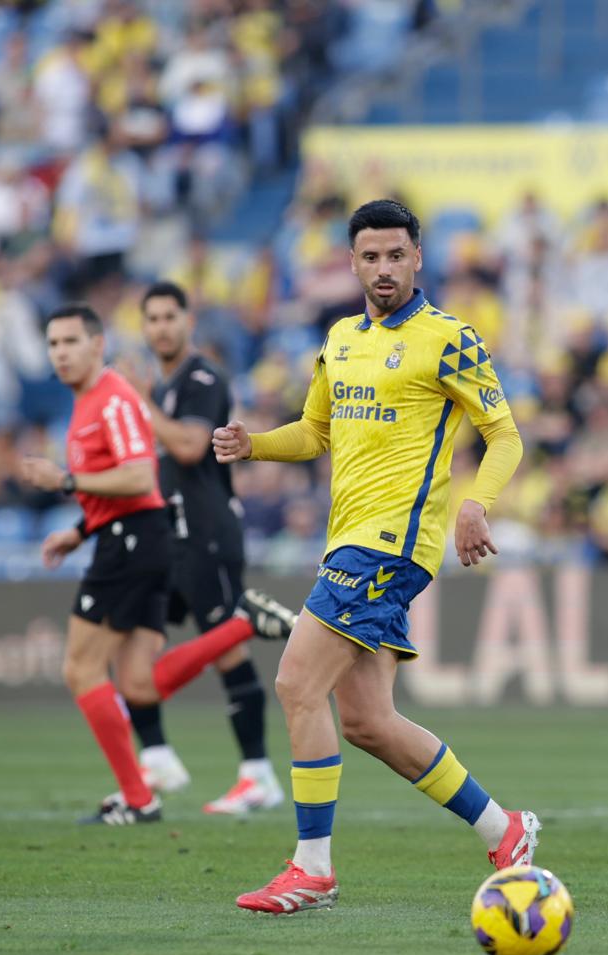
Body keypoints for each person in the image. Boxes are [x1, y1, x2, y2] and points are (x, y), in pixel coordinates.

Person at [212, 200, 537, 915]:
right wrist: (254, 444)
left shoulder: (449, 338)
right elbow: (314, 432)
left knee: (298, 685)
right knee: (365, 722)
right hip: (350, 537)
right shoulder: (340, 339)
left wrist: (476, 503)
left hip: (392, 543)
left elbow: (504, 435)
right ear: (352, 263)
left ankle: (312, 868)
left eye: (396, 255)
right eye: (370, 257)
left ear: (418, 257)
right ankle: (503, 827)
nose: (384, 269)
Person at [20, 304, 289, 825]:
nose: (60, 353)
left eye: (71, 342)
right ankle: (241, 624)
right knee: (138, 684)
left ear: (98, 345)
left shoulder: (113, 400)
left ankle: (139, 797)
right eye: (53, 344)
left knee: (80, 668)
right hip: (135, 538)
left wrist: (66, 483)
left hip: (132, 543)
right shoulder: (90, 403)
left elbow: (141, 479)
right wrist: (78, 532)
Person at [121, 281, 285, 815]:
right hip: (170, 536)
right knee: (131, 635)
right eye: (153, 318)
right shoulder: (164, 388)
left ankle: (257, 774)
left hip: (207, 533)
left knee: (224, 646)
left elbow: (192, 447)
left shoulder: (200, 378)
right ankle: (158, 757)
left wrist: (139, 402)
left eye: (171, 316)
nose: (162, 326)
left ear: (188, 321)